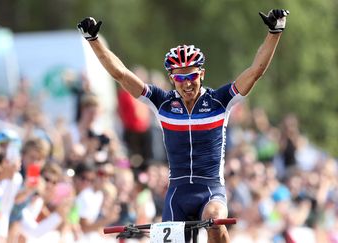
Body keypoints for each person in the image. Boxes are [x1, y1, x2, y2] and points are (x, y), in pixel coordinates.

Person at [77, 8, 289, 243]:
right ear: (171, 79)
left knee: (214, 221)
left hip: (211, 192)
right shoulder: (162, 103)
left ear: (202, 74)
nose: (187, 83)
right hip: (177, 194)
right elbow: (121, 74)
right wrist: (94, 41)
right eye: (180, 77)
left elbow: (255, 71)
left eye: (192, 76)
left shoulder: (220, 101)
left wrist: (274, 31)